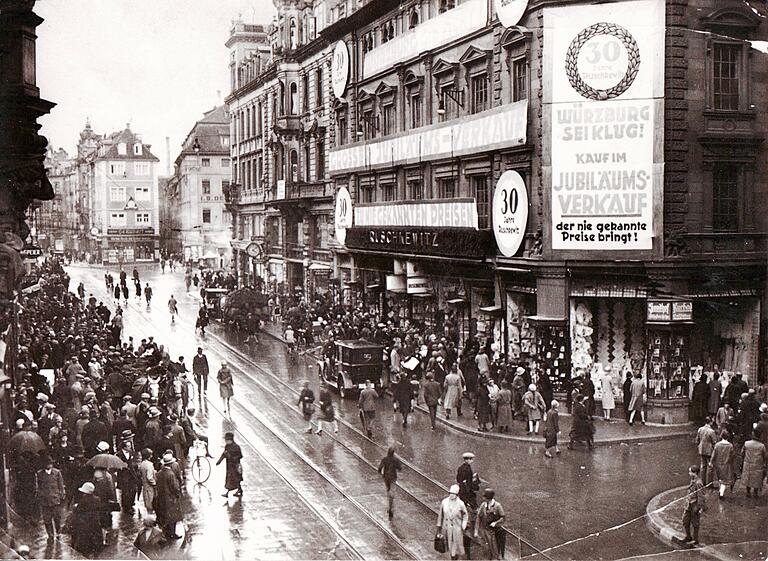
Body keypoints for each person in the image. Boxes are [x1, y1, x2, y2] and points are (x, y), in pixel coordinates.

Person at [35, 455, 66, 542]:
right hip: (45, 501)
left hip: (55, 499)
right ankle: (50, 535)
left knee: (57, 518)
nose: (49, 465)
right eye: (47, 464)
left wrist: (61, 495)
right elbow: (38, 486)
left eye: (51, 464)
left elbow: (61, 485)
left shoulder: (57, 473)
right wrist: (40, 495)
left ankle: (58, 532)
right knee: (47, 519)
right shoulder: (39, 474)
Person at [69, 482, 105, 555]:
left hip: (84, 522)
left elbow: (78, 510)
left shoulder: (83, 500)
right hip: (94, 521)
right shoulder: (97, 499)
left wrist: (75, 507)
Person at [437, 484, 469, 561]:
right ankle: (453, 557)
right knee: (449, 546)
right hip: (446, 528)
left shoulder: (461, 504)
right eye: (450, 493)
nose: (451, 495)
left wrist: (463, 525)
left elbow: (465, 515)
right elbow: (440, 516)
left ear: (457, 495)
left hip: (456, 528)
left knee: (455, 547)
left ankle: (454, 557)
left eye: (453, 494)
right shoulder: (444, 502)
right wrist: (439, 528)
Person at [155, 453, 183, 539]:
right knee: (173, 517)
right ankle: (172, 533)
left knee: (164, 516)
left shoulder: (159, 473)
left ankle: (166, 532)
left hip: (161, 498)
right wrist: (178, 494)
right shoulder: (170, 474)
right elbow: (174, 487)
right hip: (171, 498)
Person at [475, 488, 505, 560]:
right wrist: (476, 530)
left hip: (494, 531)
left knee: (494, 549)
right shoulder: (483, 505)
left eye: (484, 497)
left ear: (488, 498)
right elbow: (478, 517)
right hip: (485, 530)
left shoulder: (497, 506)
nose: (483, 498)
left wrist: (496, 523)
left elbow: (503, 518)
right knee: (486, 549)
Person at [681, 465, 706, 546]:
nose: (689, 473)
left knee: (695, 523)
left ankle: (695, 539)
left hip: (694, 505)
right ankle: (688, 536)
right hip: (689, 504)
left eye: (690, 472)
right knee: (685, 521)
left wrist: (700, 507)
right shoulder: (693, 480)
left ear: (694, 473)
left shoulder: (698, 483)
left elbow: (701, 496)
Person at [115, 438, 140, 514]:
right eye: (128, 446)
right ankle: (126, 506)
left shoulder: (132, 453)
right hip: (124, 476)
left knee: (133, 490)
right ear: (124, 447)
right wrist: (123, 466)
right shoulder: (118, 455)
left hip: (132, 475)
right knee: (125, 491)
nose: (130, 447)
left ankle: (131, 504)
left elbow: (135, 462)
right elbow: (117, 466)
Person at [378, 446, 402, 520]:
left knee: (388, 490)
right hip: (393, 478)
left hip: (386, 478)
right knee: (392, 492)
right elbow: (400, 468)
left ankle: (390, 503)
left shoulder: (384, 459)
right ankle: (390, 506)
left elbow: (379, 469)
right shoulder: (395, 460)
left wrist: (382, 474)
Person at [741, 429, 768, 498]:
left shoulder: (746, 443)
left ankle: (748, 492)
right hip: (758, 464)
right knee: (757, 478)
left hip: (748, 463)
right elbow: (765, 456)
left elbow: (742, 453)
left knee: (748, 477)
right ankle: (755, 492)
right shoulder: (761, 446)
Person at [217, 432, 244, 498]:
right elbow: (224, 454)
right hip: (229, 466)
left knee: (236, 479)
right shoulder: (227, 446)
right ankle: (234, 491)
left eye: (227, 440)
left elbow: (240, 456)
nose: (226, 441)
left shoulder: (236, 447)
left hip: (235, 466)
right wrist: (219, 461)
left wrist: (232, 458)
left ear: (231, 440)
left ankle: (236, 491)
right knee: (230, 479)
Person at [709, 431, 735, 499]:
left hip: (718, 464)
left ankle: (721, 491)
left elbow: (713, 455)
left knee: (720, 478)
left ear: (721, 436)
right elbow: (732, 456)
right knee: (724, 479)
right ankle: (721, 493)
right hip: (727, 465)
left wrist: (711, 462)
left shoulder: (717, 445)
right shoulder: (730, 446)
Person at [695, 417, 717, 486]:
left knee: (703, 466)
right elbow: (714, 442)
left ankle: (702, 482)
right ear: (710, 422)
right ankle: (709, 483)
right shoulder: (711, 431)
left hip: (701, 449)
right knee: (710, 467)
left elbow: (697, 439)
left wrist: (699, 445)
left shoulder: (700, 429)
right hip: (709, 450)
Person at [138, 448, 157, 514]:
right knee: (151, 504)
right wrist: (154, 483)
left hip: (145, 487)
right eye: (150, 455)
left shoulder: (142, 464)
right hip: (150, 487)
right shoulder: (149, 465)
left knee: (148, 503)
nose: (151, 456)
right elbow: (149, 477)